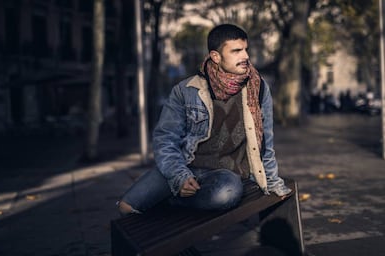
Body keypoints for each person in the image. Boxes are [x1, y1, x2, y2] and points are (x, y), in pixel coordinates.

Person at [117, 24, 291, 215]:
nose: (245, 57)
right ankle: (177, 195)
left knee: (226, 194)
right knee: (126, 206)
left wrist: (273, 182)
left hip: (226, 174)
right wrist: (179, 177)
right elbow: (165, 139)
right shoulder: (185, 90)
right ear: (216, 56)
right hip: (185, 165)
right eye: (236, 51)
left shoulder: (258, 88)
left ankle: (169, 206)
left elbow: (266, 142)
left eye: (245, 49)